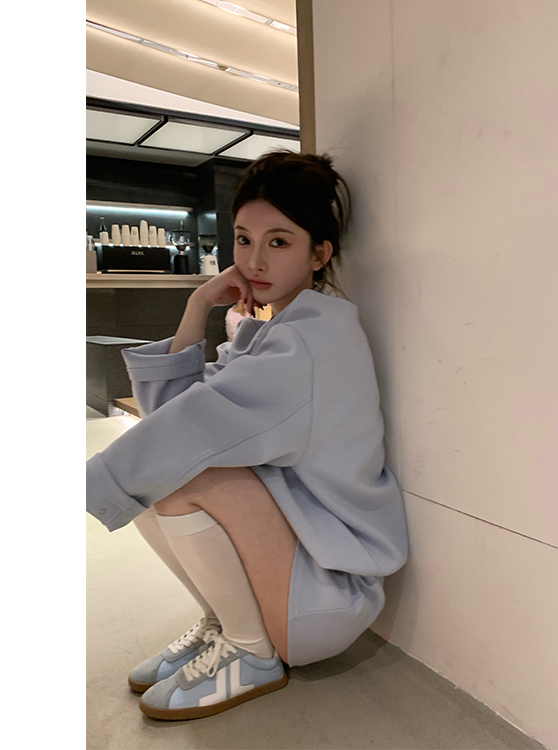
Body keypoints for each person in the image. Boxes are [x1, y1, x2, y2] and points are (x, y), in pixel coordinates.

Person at [86, 149, 410, 721]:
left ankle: (251, 650)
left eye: (278, 242)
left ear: (319, 254)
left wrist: (92, 483)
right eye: (243, 239)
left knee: (176, 477)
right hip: (298, 568)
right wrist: (197, 305)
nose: (254, 260)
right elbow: (174, 418)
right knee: (154, 477)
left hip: (325, 594)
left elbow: (184, 428)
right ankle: (225, 624)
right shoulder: (281, 330)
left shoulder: (307, 343)